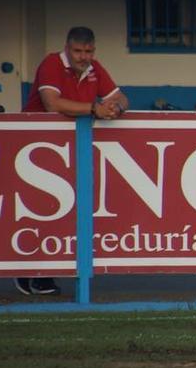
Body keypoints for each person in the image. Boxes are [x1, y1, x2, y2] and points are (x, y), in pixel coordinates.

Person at [19, 26, 129, 296]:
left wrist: (116, 108)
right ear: (68, 48)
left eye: (88, 51)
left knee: (69, 209)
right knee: (37, 209)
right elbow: (51, 104)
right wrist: (94, 108)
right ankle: (27, 272)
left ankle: (49, 273)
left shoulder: (95, 68)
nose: (84, 57)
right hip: (34, 148)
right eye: (78, 51)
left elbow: (121, 97)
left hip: (71, 148)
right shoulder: (51, 63)